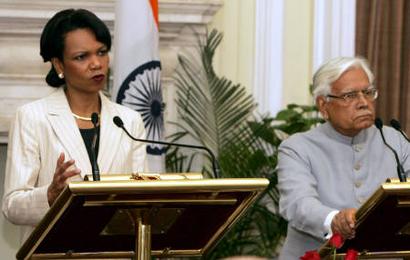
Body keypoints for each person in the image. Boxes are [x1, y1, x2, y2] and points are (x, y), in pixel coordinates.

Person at [2, 9, 147, 243]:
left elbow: (142, 196)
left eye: (101, 52)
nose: (96, 63)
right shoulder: (33, 117)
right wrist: (50, 195)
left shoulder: (129, 121)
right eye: (82, 57)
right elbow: (12, 206)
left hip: (115, 252)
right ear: (58, 64)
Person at [277, 56, 410, 259]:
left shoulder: (394, 140)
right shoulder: (297, 147)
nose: (364, 103)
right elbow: (298, 203)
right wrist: (333, 219)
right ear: (323, 105)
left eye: (368, 92)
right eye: (350, 96)